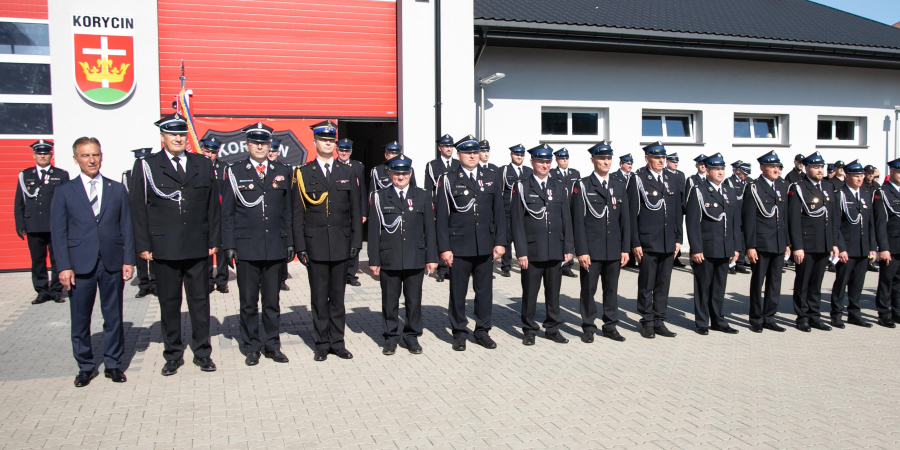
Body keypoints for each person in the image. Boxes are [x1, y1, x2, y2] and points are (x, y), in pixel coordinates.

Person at [130, 113, 221, 375]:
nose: (178, 139)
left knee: (200, 302)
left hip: (197, 245)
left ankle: (202, 353)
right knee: (169, 303)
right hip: (164, 246)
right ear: (163, 137)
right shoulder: (147, 165)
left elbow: (212, 205)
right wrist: (143, 244)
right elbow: (138, 207)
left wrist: (214, 239)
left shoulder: (201, 163)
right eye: (172, 134)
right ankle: (172, 354)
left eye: (181, 134)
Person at [51, 137, 134, 388]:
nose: (91, 160)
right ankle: (85, 367)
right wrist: (64, 266)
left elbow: (127, 226)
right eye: (85, 155)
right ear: (75, 159)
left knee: (113, 316)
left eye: (95, 154)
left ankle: (113, 364)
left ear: (101, 156)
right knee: (80, 319)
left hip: (111, 262)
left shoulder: (116, 189)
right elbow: (58, 232)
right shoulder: (65, 191)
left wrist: (128, 260)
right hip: (79, 265)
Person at [221, 124, 293, 366]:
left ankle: (272, 345)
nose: (260, 147)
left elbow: (288, 210)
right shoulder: (235, 171)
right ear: (247, 145)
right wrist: (228, 245)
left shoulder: (282, 170)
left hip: (274, 246)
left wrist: (290, 241)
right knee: (249, 302)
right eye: (255, 143)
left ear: (270, 145)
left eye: (264, 143)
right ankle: (252, 346)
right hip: (247, 247)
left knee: (272, 302)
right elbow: (227, 212)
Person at [292, 120, 362, 361]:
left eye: (331, 141)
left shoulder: (347, 171)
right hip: (315, 244)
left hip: (341, 243)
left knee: (338, 299)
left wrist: (356, 242)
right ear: (314, 142)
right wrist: (300, 246)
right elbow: (297, 213)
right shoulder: (303, 173)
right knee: (319, 298)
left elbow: (355, 209)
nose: (328, 144)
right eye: (323, 140)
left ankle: (338, 342)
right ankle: (322, 343)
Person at [435, 135, 506, 351]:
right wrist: (444, 248)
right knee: (458, 292)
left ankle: (482, 331)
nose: (473, 156)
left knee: (484, 292)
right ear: (459, 155)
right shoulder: (448, 179)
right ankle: (459, 332)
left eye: (475, 152)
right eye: (468, 152)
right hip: (459, 246)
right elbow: (441, 217)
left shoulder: (491, 176)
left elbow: (499, 213)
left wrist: (500, 242)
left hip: (485, 245)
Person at [368, 155, 438, 355]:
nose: (401, 177)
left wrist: (431, 258)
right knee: (389, 301)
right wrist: (374, 259)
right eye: (396, 173)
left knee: (413, 301)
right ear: (390, 174)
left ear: (410, 173)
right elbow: (373, 230)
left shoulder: (422, 195)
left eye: (405, 173)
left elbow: (429, 229)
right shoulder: (380, 196)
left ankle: (411, 336)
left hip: (415, 256)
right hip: (389, 257)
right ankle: (390, 337)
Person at [511, 144, 574, 345]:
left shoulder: (559, 186)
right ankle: (529, 329)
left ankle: (552, 328)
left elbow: (566, 220)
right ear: (532, 162)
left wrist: (568, 247)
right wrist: (521, 251)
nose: (545, 165)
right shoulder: (522, 186)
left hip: (555, 248)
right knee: (530, 292)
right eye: (541, 162)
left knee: (553, 293)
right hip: (532, 250)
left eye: (548, 162)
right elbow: (517, 223)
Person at [572, 141, 629, 343]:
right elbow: (577, 222)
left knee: (611, 289)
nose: (606, 162)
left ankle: (610, 325)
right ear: (593, 160)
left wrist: (625, 248)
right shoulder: (582, 185)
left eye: (609, 158)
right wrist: (581, 250)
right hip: (592, 249)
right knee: (589, 289)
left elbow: (625, 220)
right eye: (602, 158)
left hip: (613, 248)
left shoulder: (619, 185)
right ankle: (588, 326)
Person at [625, 141, 684, 339]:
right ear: (647, 158)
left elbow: (677, 212)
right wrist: (635, 242)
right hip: (648, 241)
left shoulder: (672, 178)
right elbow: (632, 214)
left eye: (663, 157)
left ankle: (659, 320)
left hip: (668, 241)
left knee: (663, 284)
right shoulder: (638, 179)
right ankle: (647, 321)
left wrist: (678, 238)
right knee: (647, 283)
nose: (661, 161)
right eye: (657, 157)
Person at [685, 153, 741, 335]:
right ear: (707, 170)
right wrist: (696, 248)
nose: (720, 172)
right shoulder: (699, 191)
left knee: (719, 287)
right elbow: (692, 222)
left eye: (722, 169)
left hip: (725, 247)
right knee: (703, 287)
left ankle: (718, 321)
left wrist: (736, 247)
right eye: (716, 169)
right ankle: (702, 322)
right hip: (706, 248)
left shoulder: (729, 191)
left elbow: (735, 222)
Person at [787, 151, 839, 332]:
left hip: (823, 243)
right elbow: (793, 220)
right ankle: (802, 317)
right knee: (803, 282)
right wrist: (797, 246)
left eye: (821, 167)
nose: (820, 170)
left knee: (817, 282)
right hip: (806, 244)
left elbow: (833, 218)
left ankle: (814, 315)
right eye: (816, 167)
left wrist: (833, 243)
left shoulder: (828, 187)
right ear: (807, 168)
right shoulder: (799, 188)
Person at [14, 139, 69, 304]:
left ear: (51, 155)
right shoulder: (25, 175)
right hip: (34, 225)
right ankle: (42, 291)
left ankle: (56, 290)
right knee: (37, 260)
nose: (43, 156)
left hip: (54, 225)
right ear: (34, 155)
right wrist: (20, 224)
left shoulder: (61, 175)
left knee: (57, 259)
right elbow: (19, 202)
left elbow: (67, 201)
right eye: (39, 153)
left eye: (46, 153)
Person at [742, 151, 790, 333]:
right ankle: (756, 318)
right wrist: (750, 246)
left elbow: (784, 218)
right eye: (772, 167)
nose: (776, 170)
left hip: (778, 242)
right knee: (758, 282)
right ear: (762, 167)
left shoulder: (782, 186)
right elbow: (749, 219)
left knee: (775, 282)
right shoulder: (754, 187)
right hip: (761, 243)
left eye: (777, 167)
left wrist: (787, 243)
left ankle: (769, 317)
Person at [829, 160, 875, 329]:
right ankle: (836, 314)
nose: (860, 179)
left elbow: (870, 224)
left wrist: (872, 247)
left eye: (861, 176)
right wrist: (840, 247)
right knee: (842, 282)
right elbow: (835, 225)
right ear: (847, 176)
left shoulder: (866, 195)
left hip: (862, 247)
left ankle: (854, 314)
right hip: (847, 248)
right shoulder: (839, 195)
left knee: (857, 284)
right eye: (856, 176)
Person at [334, 138, 369, 287]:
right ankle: (339, 273)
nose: (344, 153)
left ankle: (351, 274)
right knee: (339, 242)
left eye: (346, 150)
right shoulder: (332, 166)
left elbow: (362, 190)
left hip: (354, 211)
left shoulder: (358, 167)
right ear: (337, 151)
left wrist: (364, 212)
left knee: (355, 241)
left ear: (351, 151)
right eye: (341, 150)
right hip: (338, 211)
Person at [123, 147, 157, 298]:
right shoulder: (127, 175)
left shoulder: (154, 174)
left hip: (152, 219)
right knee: (140, 253)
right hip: (136, 220)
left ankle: (155, 283)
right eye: (139, 160)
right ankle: (144, 284)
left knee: (154, 252)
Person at [424, 134, 459, 282]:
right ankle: (442, 270)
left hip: (456, 205)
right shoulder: (432, 165)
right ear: (440, 148)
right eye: (446, 146)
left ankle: (453, 268)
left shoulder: (458, 164)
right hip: (439, 206)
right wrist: (430, 209)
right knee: (441, 236)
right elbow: (428, 189)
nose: (449, 149)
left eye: (451, 146)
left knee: (454, 236)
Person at [873, 159, 900, 328]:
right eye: (899, 171)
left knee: (899, 282)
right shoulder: (883, 192)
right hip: (890, 244)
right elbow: (880, 223)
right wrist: (883, 248)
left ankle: (897, 311)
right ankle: (884, 313)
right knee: (886, 281)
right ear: (892, 171)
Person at [200, 138, 229, 294]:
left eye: (213, 152)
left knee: (221, 250)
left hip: (220, 215)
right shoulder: (196, 167)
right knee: (205, 249)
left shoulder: (224, 168)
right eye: (207, 151)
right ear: (202, 150)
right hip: (202, 215)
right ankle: (208, 281)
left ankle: (222, 281)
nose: (209, 155)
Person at [499, 144, 531, 278]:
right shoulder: (504, 170)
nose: (519, 157)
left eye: (521, 155)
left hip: (524, 211)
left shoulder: (528, 171)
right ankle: (506, 266)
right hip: (508, 211)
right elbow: (500, 191)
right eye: (517, 154)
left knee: (524, 238)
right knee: (507, 240)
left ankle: (525, 263)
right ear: (511, 155)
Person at [550, 147, 580, 278]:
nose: (565, 161)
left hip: (572, 208)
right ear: (557, 160)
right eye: (562, 158)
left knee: (570, 235)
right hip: (558, 208)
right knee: (559, 234)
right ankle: (558, 261)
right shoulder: (552, 173)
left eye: (566, 158)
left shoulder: (575, 173)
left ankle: (568, 265)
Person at [269, 138, 294, 291]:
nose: (271, 153)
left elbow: (290, 194)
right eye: (270, 150)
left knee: (282, 249)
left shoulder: (285, 169)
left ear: (278, 152)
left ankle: (282, 280)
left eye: (274, 151)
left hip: (282, 215)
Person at [726, 161, 751, 274]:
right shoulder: (730, 181)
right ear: (738, 171)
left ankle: (740, 263)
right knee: (733, 240)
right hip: (734, 215)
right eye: (744, 173)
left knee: (743, 240)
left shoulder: (749, 182)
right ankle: (731, 264)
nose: (746, 175)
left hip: (745, 215)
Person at [666, 153, 687, 268]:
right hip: (669, 206)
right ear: (667, 162)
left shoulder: (681, 174)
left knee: (678, 230)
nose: (675, 164)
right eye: (673, 162)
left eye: (676, 162)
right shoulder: (665, 174)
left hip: (679, 207)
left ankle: (677, 255)